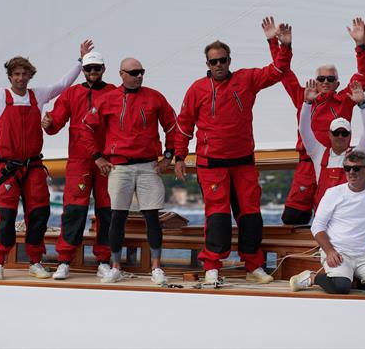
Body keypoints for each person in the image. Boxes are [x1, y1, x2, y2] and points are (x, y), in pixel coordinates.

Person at [0, 29, 90, 280]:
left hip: (34, 167)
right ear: (10, 76)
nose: (20, 78)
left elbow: (63, 84)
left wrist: (81, 62)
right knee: (7, 216)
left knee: (39, 214)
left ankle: (35, 261)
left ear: (30, 75)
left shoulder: (39, 96)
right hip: (8, 169)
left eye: (25, 74)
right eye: (16, 74)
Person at [174, 19, 291, 285]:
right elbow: (184, 124)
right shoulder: (197, 89)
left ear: (229, 60)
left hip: (243, 162)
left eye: (223, 60)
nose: (218, 65)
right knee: (217, 217)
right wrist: (179, 156)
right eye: (213, 61)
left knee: (250, 216)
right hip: (211, 164)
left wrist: (278, 43)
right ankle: (212, 266)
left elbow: (279, 70)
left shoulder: (246, 79)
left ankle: (253, 266)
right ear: (207, 64)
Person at [81, 57, 177, 285]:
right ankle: (115, 267)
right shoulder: (108, 99)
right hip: (119, 166)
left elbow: (172, 125)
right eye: (134, 73)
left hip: (148, 165)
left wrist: (169, 156)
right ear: (121, 74)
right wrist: (97, 156)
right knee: (117, 216)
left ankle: (156, 268)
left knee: (152, 217)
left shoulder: (155, 97)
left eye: (141, 72)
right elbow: (85, 127)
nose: (139, 76)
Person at [268, 17, 365, 225]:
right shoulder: (303, 96)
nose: (325, 82)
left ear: (337, 83)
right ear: (316, 81)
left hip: (335, 165)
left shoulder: (344, 99)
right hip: (307, 164)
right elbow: (282, 72)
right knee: (293, 218)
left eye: (330, 79)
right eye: (322, 79)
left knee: (336, 217)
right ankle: (301, 256)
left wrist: (360, 46)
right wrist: (280, 44)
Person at [289, 151, 365, 294]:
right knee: (340, 287)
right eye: (347, 168)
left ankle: (352, 281)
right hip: (338, 252)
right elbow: (317, 226)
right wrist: (330, 251)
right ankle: (313, 277)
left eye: (356, 168)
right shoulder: (333, 193)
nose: (351, 172)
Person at [42, 51, 115, 280]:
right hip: (79, 160)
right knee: (74, 211)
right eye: (88, 68)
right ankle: (64, 261)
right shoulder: (72, 93)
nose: (93, 72)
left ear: (104, 69)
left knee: (107, 212)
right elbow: (56, 122)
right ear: (83, 70)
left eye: (97, 68)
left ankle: (103, 260)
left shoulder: (114, 92)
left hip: (107, 161)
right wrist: (48, 123)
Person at [299, 79, 365, 208]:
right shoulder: (318, 153)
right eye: (336, 133)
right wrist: (307, 103)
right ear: (329, 134)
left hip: (350, 214)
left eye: (344, 133)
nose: (340, 136)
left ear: (350, 135)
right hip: (325, 217)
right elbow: (303, 129)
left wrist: (362, 105)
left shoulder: (358, 154)